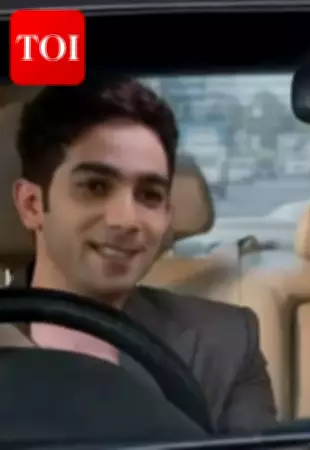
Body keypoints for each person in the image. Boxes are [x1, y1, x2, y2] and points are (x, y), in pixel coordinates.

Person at [8, 78, 278, 434]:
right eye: (95, 187)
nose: (126, 220)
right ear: (31, 205)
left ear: (167, 213)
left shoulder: (225, 341)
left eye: (149, 195)